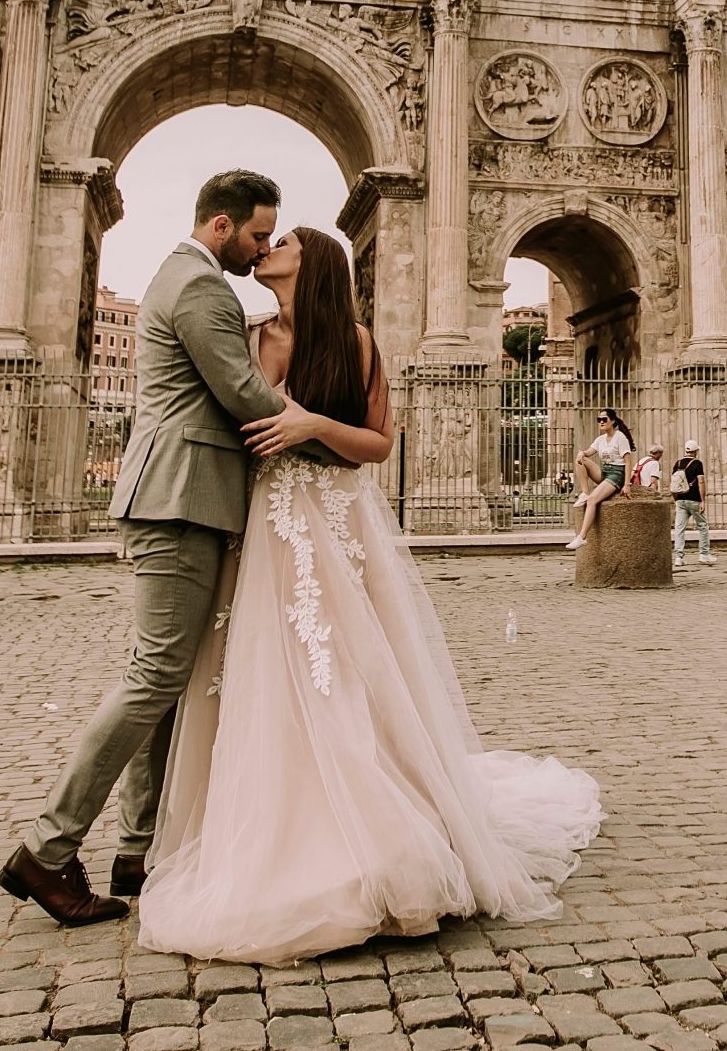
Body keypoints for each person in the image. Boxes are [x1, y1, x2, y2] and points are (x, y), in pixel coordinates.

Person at [138, 220, 600, 961]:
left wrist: (311, 423)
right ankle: (272, 829)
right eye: (263, 239)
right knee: (262, 677)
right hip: (261, 531)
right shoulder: (247, 334)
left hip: (332, 525)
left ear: (312, 264)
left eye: (279, 243)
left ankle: (375, 827)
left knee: (345, 673)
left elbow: (380, 444)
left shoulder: (354, 341)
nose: (265, 251)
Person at [2, 170, 309, 927]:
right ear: (219, 225)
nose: (263, 247)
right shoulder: (201, 287)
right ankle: (46, 849)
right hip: (180, 496)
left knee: (166, 677)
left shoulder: (189, 278)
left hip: (186, 494)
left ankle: (140, 847)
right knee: (156, 673)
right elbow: (241, 392)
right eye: (258, 235)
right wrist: (329, 431)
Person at [565, 410, 634, 552]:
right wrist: (581, 453)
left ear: (613, 421)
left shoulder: (620, 437)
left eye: (604, 419)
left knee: (592, 500)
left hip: (617, 473)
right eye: (599, 419)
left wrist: (627, 485)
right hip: (606, 471)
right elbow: (588, 452)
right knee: (580, 460)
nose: (601, 422)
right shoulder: (601, 439)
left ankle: (582, 537)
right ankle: (584, 492)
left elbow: (628, 462)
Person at [669, 438, 713, 567]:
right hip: (694, 499)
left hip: (680, 499)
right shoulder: (697, 464)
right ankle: (704, 555)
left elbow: (673, 483)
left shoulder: (677, 463)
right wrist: (703, 500)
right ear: (696, 451)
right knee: (703, 526)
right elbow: (701, 481)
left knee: (679, 529)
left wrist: (675, 498)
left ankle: (679, 557)